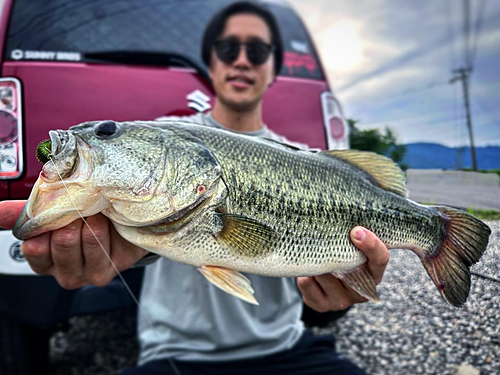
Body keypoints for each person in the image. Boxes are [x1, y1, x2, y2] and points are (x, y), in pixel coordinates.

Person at [0, 2, 389, 374]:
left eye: (257, 50)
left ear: (272, 69)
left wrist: (336, 299)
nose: (241, 59)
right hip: (174, 356)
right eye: (227, 48)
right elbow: (139, 216)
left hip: (286, 348)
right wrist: (115, 246)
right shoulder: (162, 137)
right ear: (211, 63)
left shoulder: (310, 162)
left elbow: (315, 286)